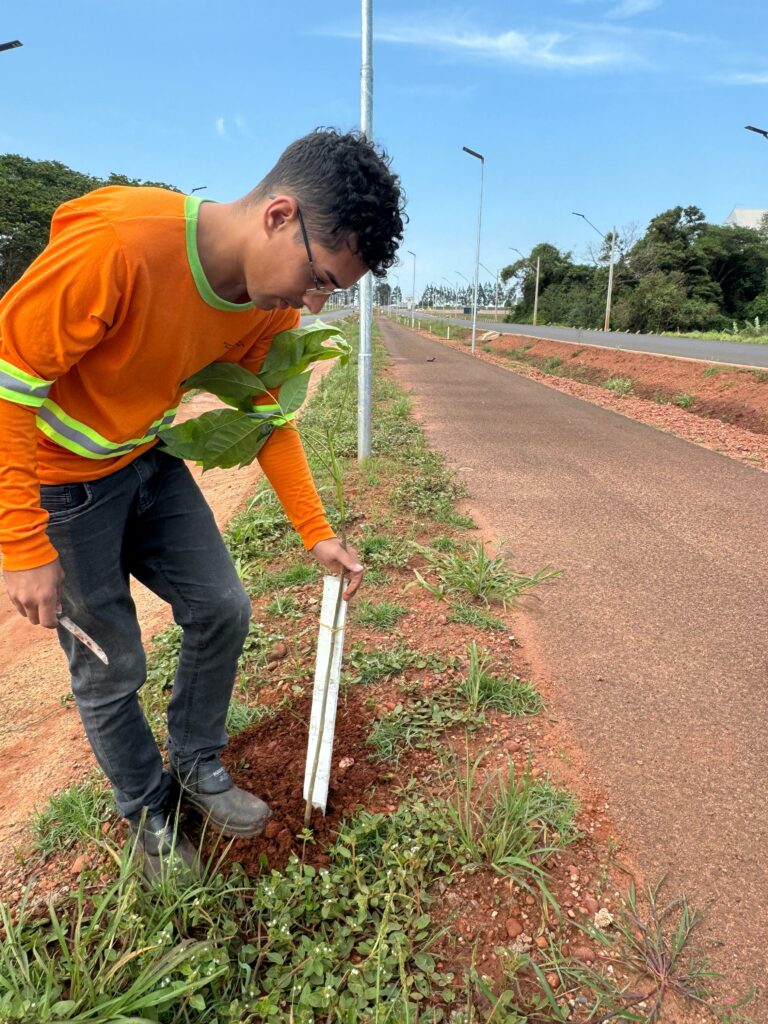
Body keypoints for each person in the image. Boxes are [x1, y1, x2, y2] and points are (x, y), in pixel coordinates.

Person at [0, 128, 405, 878]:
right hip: (61, 485)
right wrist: (23, 546)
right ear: (279, 214)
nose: (312, 302)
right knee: (112, 664)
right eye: (318, 278)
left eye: (331, 293)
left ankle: (196, 764)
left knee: (223, 606)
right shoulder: (119, 245)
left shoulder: (266, 309)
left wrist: (316, 534)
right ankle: (150, 811)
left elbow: (266, 419)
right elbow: (10, 383)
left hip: (144, 458)